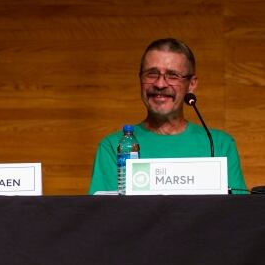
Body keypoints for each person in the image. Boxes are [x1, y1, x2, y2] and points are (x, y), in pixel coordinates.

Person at [88, 38, 247, 194]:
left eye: (172, 75)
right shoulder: (115, 146)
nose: (160, 84)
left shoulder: (219, 145)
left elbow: (238, 215)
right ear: (140, 79)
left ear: (191, 84)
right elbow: (104, 216)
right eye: (151, 74)